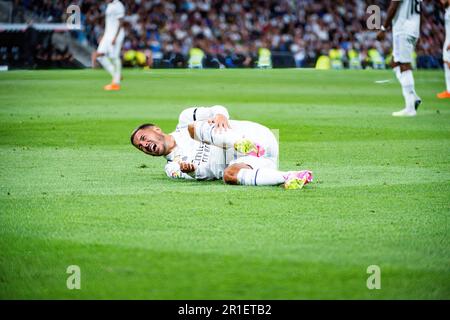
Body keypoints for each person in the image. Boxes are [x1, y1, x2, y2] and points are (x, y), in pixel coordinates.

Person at [130, 105, 313, 190]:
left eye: (144, 138)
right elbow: (202, 175)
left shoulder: (185, 119)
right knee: (229, 175)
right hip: (258, 160)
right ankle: (290, 176)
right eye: (141, 147)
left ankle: (240, 142)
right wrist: (193, 171)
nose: (145, 145)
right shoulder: (172, 167)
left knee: (194, 128)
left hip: (254, 135)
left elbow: (217, 108)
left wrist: (220, 116)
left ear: (156, 129)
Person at [377, 0, 422, 117]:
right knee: (394, 62)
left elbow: (394, 4)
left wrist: (383, 28)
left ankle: (410, 108)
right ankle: (414, 97)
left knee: (404, 65)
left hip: (403, 29)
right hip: (412, 28)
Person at [91, 0, 125, 91]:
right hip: (108, 35)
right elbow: (109, 23)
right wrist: (104, 35)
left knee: (114, 57)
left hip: (115, 35)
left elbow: (121, 22)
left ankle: (116, 84)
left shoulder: (118, 5)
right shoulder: (109, 5)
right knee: (99, 56)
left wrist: (115, 37)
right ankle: (116, 75)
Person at [437, 0, 450, 99]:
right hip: (447, 40)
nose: (441, 1)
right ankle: (449, 90)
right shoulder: (447, 10)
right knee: (446, 63)